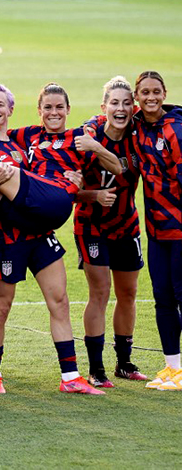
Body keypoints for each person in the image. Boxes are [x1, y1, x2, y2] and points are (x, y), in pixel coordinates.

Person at [0, 83, 115, 395]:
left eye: (59, 107)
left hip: (42, 227)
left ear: (68, 110)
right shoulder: (14, 137)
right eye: (48, 108)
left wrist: (87, 183)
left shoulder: (68, 138)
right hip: (10, 234)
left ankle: (70, 377)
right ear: (38, 111)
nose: (54, 113)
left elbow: (116, 166)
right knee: (1, 306)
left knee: (60, 301)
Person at [74, 77, 147, 387]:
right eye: (114, 103)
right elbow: (66, 187)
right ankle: (96, 368)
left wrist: (97, 148)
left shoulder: (137, 133)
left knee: (128, 294)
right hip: (91, 225)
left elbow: (123, 168)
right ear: (104, 108)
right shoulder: (87, 134)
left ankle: (124, 363)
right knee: (100, 291)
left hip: (126, 224)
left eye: (126, 103)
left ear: (134, 106)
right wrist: (91, 195)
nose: (121, 108)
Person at [130, 71, 182, 391]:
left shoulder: (175, 130)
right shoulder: (136, 125)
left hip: (179, 230)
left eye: (155, 91)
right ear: (137, 96)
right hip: (156, 231)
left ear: (164, 94)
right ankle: (172, 368)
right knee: (162, 298)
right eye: (144, 92)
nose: (150, 97)